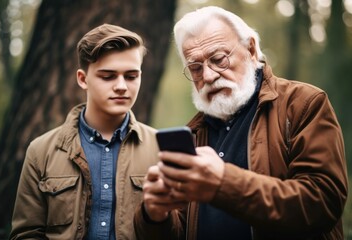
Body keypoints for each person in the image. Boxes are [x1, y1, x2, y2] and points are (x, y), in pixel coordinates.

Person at [134, 6, 348, 240]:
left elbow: (323, 204)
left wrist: (223, 182)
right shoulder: (193, 134)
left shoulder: (303, 104)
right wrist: (155, 215)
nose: (207, 76)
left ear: (251, 49)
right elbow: (181, 230)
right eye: (195, 68)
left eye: (218, 60)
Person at [9, 24, 160, 240]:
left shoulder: (161, 149)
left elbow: (178, 231)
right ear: (82, 79)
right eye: (108, 76)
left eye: (131, 76)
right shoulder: (40, 151)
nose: (121, 86)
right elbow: (26, 234)